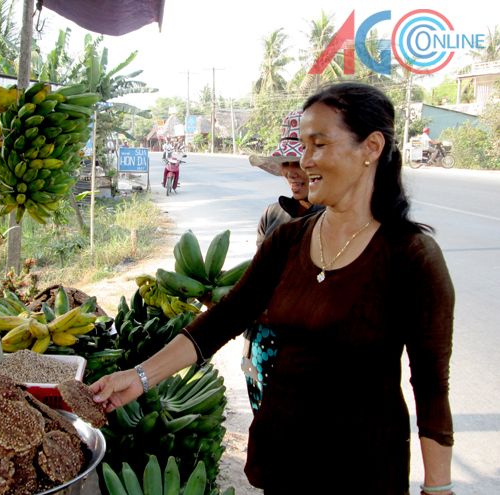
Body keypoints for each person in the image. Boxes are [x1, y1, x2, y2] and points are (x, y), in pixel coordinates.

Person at [90, 82, 455, 495]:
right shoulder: (289, 240)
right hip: (282, 458)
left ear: (371, 147)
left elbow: (430, 387)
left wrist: (438, 488)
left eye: (319, 144)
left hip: (362, 468)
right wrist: (138, 378)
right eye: (303, 145)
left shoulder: (411, 256)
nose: (305, 160)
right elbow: (225, 319)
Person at [243, 109, 324, 414]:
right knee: (264, 424)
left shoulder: (331, 221)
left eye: (298, 163)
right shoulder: (272, 215)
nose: (292, 172)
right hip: (261, 344)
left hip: (306, 353)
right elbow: (258, 277)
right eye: (286, 164)